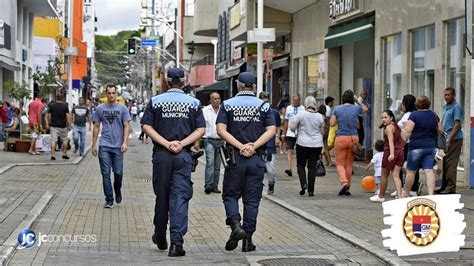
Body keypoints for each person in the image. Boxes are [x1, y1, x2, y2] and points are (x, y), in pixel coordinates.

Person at [141, 68, 205, 257]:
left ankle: (160, 236)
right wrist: (181, 144)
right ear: (184, 81)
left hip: (162, 155)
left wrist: (166, 143)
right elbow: (200, 129)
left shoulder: (156, 101)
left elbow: (146, 126)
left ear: (167, 81)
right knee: (179, 198)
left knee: (162, 197)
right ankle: (176, 244)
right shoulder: (194, 103)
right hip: (183, 156)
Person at [216, 72, 275, 253]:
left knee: (230, 196)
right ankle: (248, 240)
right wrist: (253, 146)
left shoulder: (227, 105)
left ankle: (235, 226)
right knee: (252, 201)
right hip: (256, 159)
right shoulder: (264, 106)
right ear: (254, 87)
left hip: (235, 159)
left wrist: (240, 146)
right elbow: (271, 129)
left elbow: (220, 129)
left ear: (238, 86)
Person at [92, 84, 131, 209]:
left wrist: (125, 142)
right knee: (105, 173)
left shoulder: (123, 108)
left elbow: (126, 126)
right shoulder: (99, 109)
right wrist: (94, 145)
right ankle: (109, 199)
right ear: (106, 94)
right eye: (109, 93)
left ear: (116, 94)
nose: (111, 95)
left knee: (118, 173)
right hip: (104, 145)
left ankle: (117, 189)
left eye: (113, 93)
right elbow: (96, 126)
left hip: (118, 146)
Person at [330, 90, 368, 196]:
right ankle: (348, 188)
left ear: (342, 98)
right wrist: (358, 101)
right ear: (352, 99)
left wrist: (338, 119)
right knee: (348, 164)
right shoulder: (356, 108)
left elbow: (332, 123)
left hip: (341, 138)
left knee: (340, 163)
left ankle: (344, 182)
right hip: (353, 139)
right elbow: (365, 109)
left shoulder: (337, 109)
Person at [401, 96, 440, 196]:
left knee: (411, 172)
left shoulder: (414, 115)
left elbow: (408, 131)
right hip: (431, 147)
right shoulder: (434, 115)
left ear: (417, 104)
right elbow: (439, 129)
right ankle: (431, 194)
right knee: (429, 171)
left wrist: (402, 136)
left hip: (416, 147)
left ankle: (407, 193)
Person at [290, 96, 325, 197]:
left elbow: (292, 127)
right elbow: (321, 131)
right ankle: (311, 190)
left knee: (300, 165)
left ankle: (303, 184)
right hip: (316, 144)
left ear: (306, 104)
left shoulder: (301, 114)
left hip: (302, 143)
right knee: (312, 167)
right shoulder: (320, 117)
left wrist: (297, 130)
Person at [370, 110, 404, 202]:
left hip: (390, 152)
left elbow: (390, 141)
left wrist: (392, 153)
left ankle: (381, 196)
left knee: (384, 175)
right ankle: (400, 197)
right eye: (382, 118)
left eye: (386, 117)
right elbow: (403, 139)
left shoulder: (389, 127)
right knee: (396, 175)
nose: (383, 119)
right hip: (400, 151)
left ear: (391, 117)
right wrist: (401, 149)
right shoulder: (397, 127)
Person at [436, 87, 463, 194]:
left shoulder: (456, 107)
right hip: (445, 138)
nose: (446, 97)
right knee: (445, 163)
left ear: (454, 95)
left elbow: (457, 125)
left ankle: (451, 187)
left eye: (448, 95)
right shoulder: (446, 107)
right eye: (445, 95)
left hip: (454, 139)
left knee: (451, 164)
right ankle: (444, 186)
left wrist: (449, 139)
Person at [201, 92, 224, 194]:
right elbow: (201, 126)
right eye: (215, 99)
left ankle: (215, 186)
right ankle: (208, 185)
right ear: (211, 100)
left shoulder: (223, 110)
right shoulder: (205, 111)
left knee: (218, 165)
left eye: (218, 98)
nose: (217, 100)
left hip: (220, 141)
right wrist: (197, 141)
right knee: (210, 162)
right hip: (209, 140)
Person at [397, 94, 419, 197]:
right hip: (415, 143)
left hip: (407, 143)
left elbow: (406, 132)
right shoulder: (416, 113)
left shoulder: (408, 115)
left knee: (400, 166)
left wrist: (401, 145)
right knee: (414, 167)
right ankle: (413, 189)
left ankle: (402, 188)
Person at [259, 91, 281, 195]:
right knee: (258, 169)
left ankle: (271, 184)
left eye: (266, 101)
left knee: (271, 169)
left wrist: (277, 137)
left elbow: (278, 126)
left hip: (270, 145)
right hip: (258, 145)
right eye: (263, 101)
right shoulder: (256, 111)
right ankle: (258, 187)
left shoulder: (274, 113)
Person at [282, 95, 304, 176]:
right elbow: (286, 121)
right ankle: (289, 168)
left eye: (297, 100)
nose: (296, 102)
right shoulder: (289, 108)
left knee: (300, 151)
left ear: (300, 100)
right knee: (289, 150)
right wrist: (283, 133)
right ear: (292, 100)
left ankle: (300, 167)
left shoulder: (303, 108)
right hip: (290, 133)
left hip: (300, 133)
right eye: (294, 100)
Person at [46, 94, 71, 160]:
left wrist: (49, 123)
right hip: (63, 126)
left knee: (53, 140)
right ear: (62, 98)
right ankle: (64, 154)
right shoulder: (65, 106)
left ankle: (53, 155)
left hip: (54, 126)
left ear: (56, 98)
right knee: (65, 140)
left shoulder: (52, 106)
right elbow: (68, 116)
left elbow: (49, 115)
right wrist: (69, 125)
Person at [323, 97, 335, 166]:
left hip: (324, 129)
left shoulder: (325, 108)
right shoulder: (328, 109)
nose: (333, 103)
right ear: (329, 102)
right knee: (328, 146)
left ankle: (327, 161)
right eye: (332, 102)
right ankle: (329, 161)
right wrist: (329, 128)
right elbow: (327, 120)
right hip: (326, 130)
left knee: (326, 146)